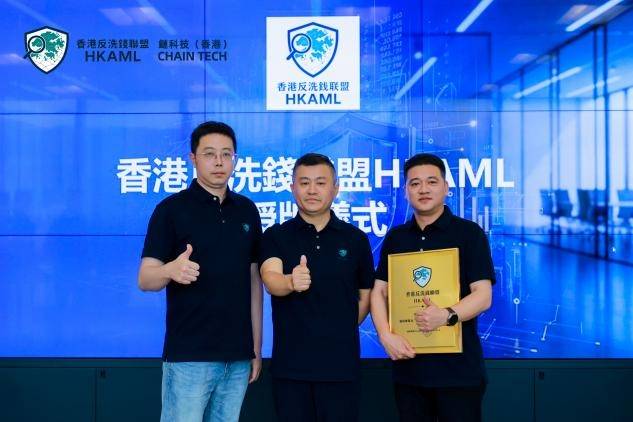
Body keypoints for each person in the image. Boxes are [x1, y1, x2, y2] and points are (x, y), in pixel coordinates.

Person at [137, 121, 263, 422]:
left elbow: (254, 283)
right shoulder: (171, 210)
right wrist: (170, 269)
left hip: (237, 356)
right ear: (193, 158)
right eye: (209, 154)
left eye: (226, 154)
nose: (219, 162)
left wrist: (255, 348)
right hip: (189, 356)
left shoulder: (247, 210)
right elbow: (145, 278)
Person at [370, 153, 494, 422]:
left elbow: (483, 296)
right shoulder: (396, 238)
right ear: (406, 191)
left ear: (446, 188)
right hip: (409, 371)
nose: (423, 189)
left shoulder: (469, 233)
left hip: (459, 373)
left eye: (431, 182)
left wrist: (447, 314)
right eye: (414, 183)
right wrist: (385, 336)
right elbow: (378, 291)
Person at [259, 153, 374, 422]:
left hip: (341, 369)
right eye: (304, 183)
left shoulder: (355, 239)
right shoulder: (276, 235)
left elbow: (366, 295)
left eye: (321, 183)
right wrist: (290, 281)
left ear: (335, 188)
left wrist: (339, 328)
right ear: (292, 187)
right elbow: (270, 277)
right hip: (291, 369)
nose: (312, 190)